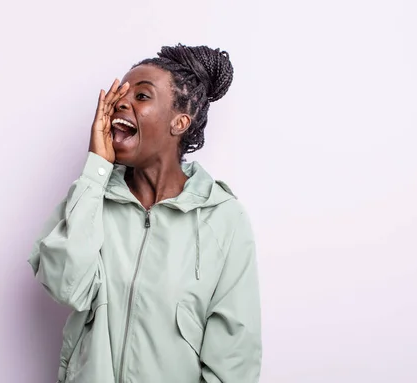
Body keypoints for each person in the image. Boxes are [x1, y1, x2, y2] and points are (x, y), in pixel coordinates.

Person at [29, 43, 262, 383]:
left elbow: (235, 358)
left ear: (179, 122)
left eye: (141, 96)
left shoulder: (223, 219)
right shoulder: (92, 197)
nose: (121, 102)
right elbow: (65, 286)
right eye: (121, 94)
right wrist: (96, 168)